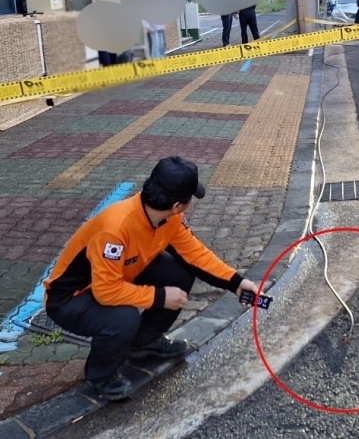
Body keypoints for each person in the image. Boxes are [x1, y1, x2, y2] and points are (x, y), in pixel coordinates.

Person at [44, 156, 259, 400]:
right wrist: (159, 297)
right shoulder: (115, 228)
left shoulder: (170, 218)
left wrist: (237, 283)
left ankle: (143, 343)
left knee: (179, 273)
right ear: (178, 204)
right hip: (71, 298)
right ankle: (101, 376)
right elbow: (105, 291)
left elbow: (195, 255)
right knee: (123, 319)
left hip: (117, 276)